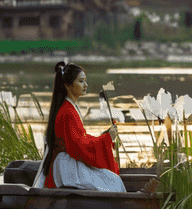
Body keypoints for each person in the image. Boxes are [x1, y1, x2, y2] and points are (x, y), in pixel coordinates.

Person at [33, 61, 126, 192]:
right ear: (68, 85)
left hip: (68, 162)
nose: (86, 85)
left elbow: (79, 139)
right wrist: (105, 139)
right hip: (66, 167)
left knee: (112, 180)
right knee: (113, 182)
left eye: (85, 81)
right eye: (81, 81)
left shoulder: (69, 108)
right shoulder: (67, 111)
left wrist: (104, 137)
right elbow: (77, 146)